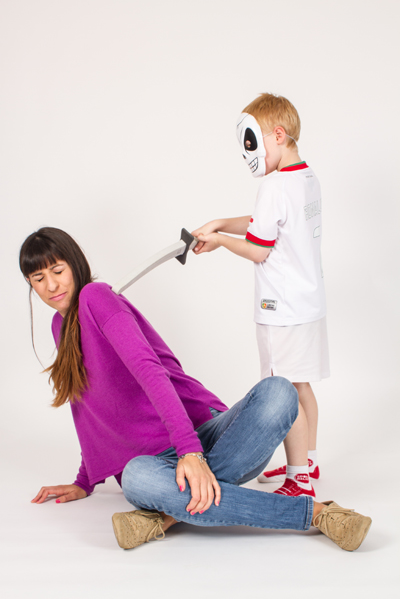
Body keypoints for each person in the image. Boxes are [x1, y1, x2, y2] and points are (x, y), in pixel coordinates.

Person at [20, 227, 370, 552]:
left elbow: (149, 370)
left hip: (208, 437)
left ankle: (168, 512)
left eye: (58, 271)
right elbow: (87, 405)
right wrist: (84, 480)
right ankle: (318, 514)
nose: (51, 285)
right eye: (39, 278)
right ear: (30, 284)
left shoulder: (95, 296)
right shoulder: (59, 326)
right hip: (153, 464)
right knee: (136, 478)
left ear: (75, 265)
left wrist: (191, 452)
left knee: (279, 391)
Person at [192, 93, 329, 497]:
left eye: (251, 143)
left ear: (278, 135)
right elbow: (266, 222)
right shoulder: (306, 178)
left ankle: (299, 480)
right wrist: (221, 222)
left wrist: (219, 240)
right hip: (308, 304)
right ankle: (308, 463)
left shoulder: (274, 185)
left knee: (282, 392)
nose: (247, 155)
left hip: (280, 310)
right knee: (301, 386)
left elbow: (258, 248)